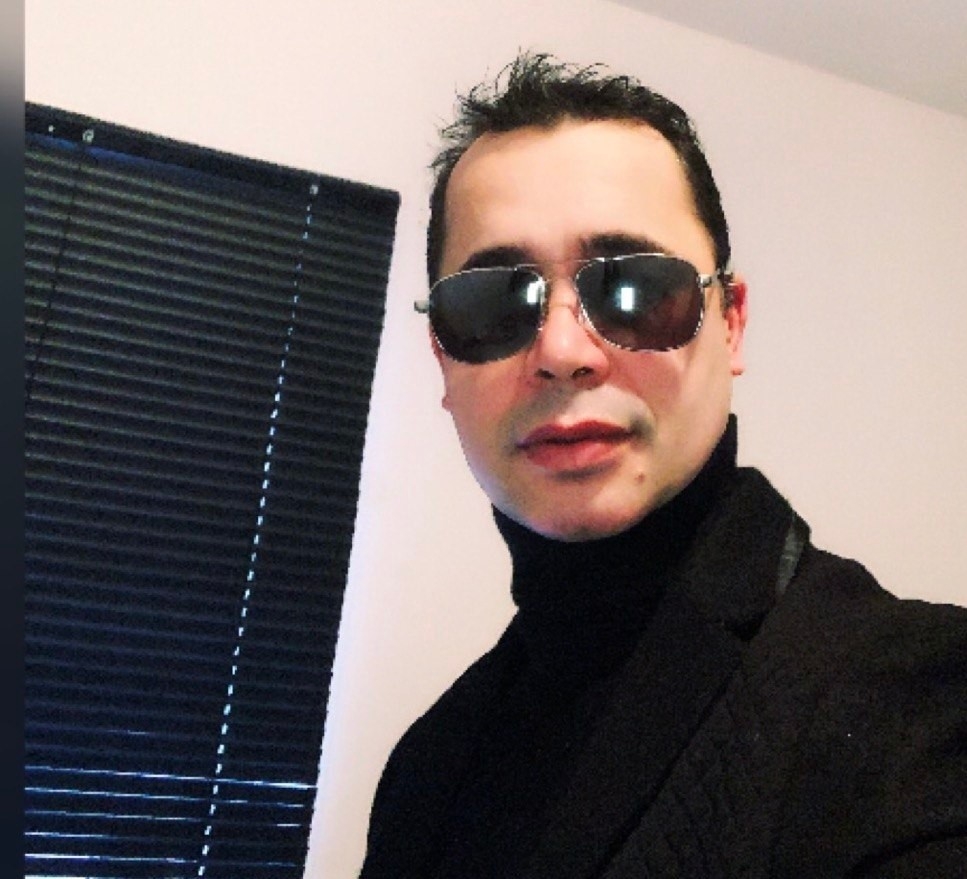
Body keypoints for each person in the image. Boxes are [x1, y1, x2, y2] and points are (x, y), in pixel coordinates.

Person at [359, 53, 967, 878]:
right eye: (493, 302)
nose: (563, 351)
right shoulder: (425, 767)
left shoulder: (920, 703)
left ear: (730, 323)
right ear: (442, 356)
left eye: (636, 289)